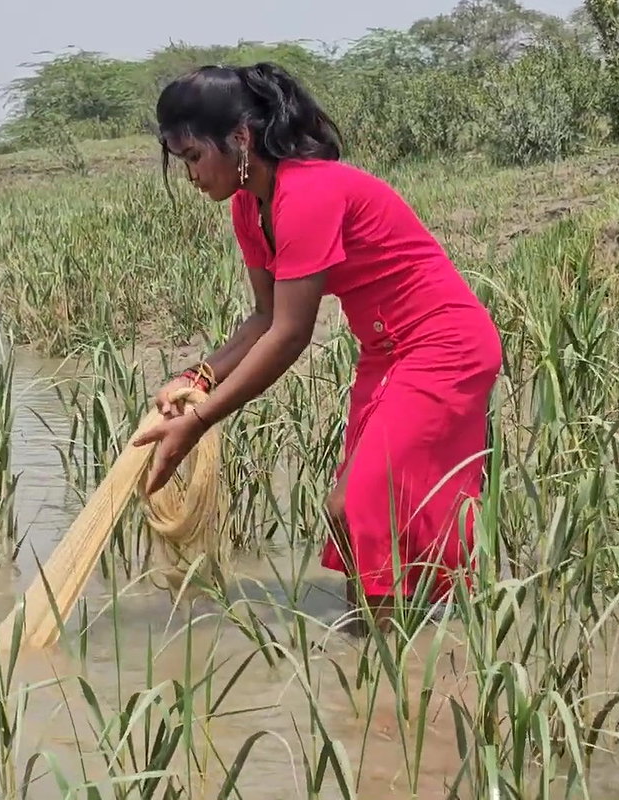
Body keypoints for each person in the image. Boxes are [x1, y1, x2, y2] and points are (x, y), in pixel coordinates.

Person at [131, 62, 502, 635]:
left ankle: (387, 666)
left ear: (240, 139)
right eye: (182, 162)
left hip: (443, 344)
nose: (191, 176)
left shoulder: (309, 191)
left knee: (363, 506)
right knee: (346, 514)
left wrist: (199, 422)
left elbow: (291, 334)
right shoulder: (248, 205)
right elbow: (262, 317)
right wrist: (197, 376)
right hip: (386, 353)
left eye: (193, 157)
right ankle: (386, 650)